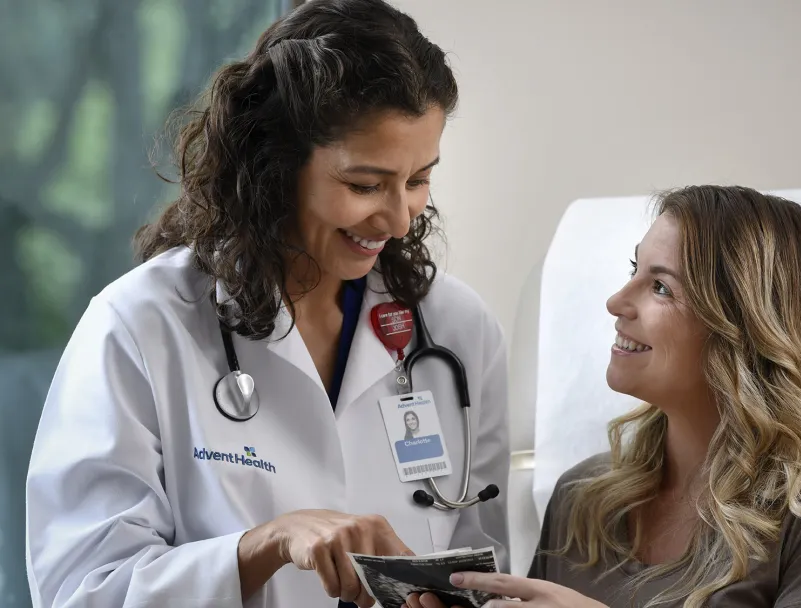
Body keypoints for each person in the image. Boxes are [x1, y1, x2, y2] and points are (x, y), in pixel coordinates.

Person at [24, 1, 510, 607]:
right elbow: (81, 591)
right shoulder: (141, 326)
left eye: (418, 180)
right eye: (364, 185)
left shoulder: (458, 329)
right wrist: (263, 545)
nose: (397, 217)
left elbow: (488, 580)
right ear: (276, 165)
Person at [408, 185, 801, 608]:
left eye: (662, 288)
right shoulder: (583, 499)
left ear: (747, 329)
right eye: (634, 270)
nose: (617, 301)